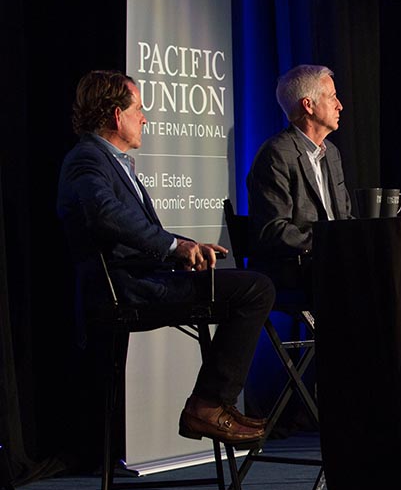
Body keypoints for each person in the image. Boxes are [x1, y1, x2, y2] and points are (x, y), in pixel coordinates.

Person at [57, 70, 276, 446]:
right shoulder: (87, 159)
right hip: (130, 290)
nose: (144, 118)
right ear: (115, 115)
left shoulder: (112, 161)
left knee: (251, 286)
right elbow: (105, 214)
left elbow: (128, 227)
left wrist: (186, 245)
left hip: (147, 279)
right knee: (255, 288)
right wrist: (174, 248)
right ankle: (208, 404)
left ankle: (211, 402)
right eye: (138, 109)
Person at [246, 64, 352, 289]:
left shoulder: (331, 153)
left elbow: (343, 218)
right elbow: (273, 230)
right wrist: (329, 244)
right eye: (332, 97)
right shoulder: (276, 154)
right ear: (308, 105)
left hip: (334, 261)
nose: (340, 105)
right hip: (296, 268)